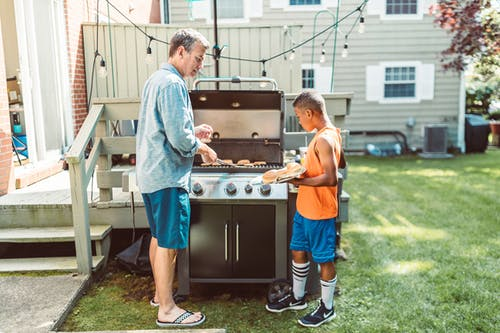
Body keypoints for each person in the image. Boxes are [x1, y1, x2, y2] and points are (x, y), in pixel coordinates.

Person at [136, 28, 217, 328]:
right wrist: (202, 148)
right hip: (167, 176)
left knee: (159, 237)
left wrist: (192, 131)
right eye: (197, 58)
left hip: (151, 174)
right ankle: (168, 310)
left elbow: (164, 127)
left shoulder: (156, 79)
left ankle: (160, 296)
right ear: (180, 52)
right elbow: (179, 141)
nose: (200, 65)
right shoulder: (173, 84)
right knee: (169, 242)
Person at [265, 91, 344, 328]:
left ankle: (327, 308)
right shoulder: (328, 134)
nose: (299, 120)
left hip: (320, 212)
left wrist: (298, 182)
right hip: (305, 209)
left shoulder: (324, 139)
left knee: (324, 259)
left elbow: (331, 178)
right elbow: (335, 163)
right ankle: (298, 299)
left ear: (310, 113)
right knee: (298, 251)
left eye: (299, 116)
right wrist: (299, 171)